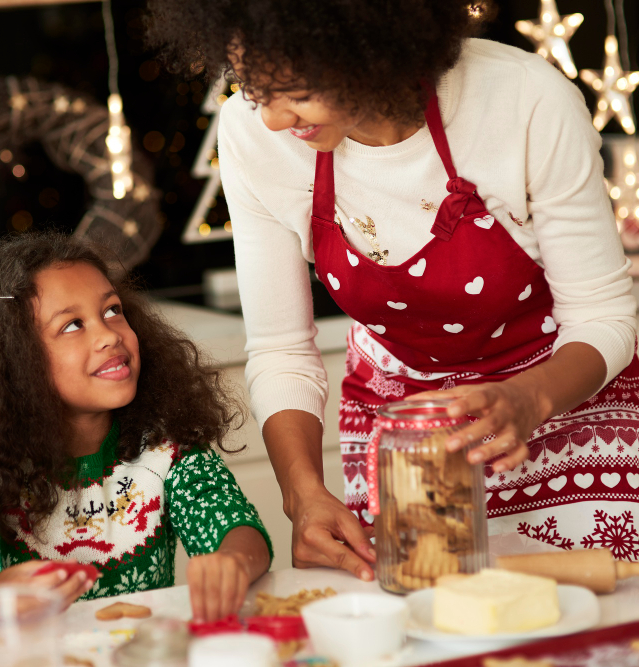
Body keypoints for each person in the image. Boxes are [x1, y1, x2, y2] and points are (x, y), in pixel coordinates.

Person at [146, 0, 639, 581]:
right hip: (402, 428)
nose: (274, 119)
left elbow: (603, 315)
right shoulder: (254, 136)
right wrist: (302, 494)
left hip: (565, 404)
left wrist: (530, 400)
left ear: (374, 46)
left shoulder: (524, 99)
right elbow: (282, 349)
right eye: (254, 90)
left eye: (296, 90)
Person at [0, 232, 272, 622]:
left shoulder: (164, 447)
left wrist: (234, 561)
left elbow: (238, 528)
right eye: (73, 325)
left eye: (112, 311)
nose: (109, 335)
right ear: (14, 361)